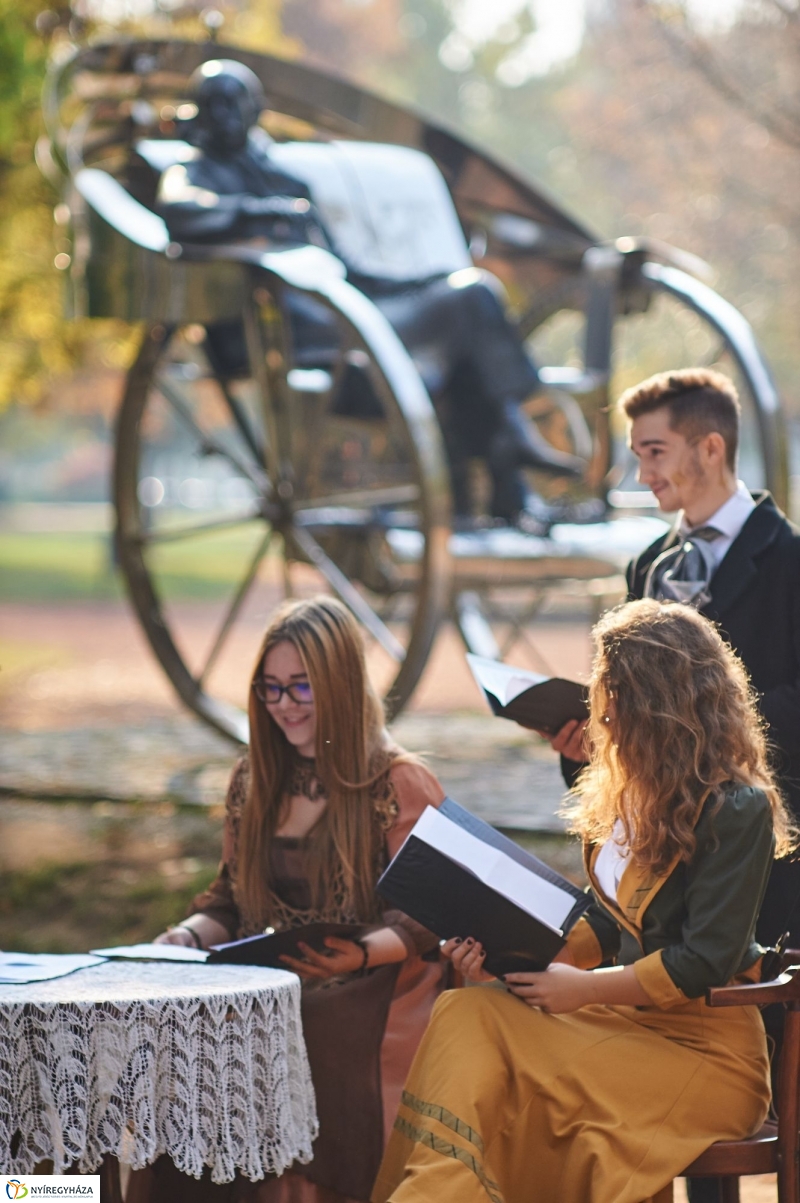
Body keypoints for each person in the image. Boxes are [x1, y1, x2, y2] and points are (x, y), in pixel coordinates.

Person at [372, 598, 795, 1203]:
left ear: (658, 704)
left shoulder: (737, 808)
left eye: (612, 693)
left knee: (501, 1053)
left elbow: (708, 957)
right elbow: (604, 923)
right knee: (467, 1010)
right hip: (619, 1025)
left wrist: (585, 989)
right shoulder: (624, 795)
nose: (601, 713)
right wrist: (497, 949)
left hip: (705, 1055)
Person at [153, 58, 585, 527]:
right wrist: (259, 213)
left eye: (234, 105)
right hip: (313, 341)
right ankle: (508, 452)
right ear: (198, 113)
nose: (225, 117)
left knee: (470, 295)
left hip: (352, 317)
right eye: (213, 106)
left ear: (254, 111)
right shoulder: (194, 174)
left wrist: (424, 285)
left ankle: (505, 476)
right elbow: (184, 212)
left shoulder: (285, 182)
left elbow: (348, 273)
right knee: (472, 302)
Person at [152, 595, 448, 1203]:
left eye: (301, 688)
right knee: (188, 1038)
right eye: (271, 689)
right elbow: (228, 902)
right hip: (267, 981)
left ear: (339, 684)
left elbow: (430, 914)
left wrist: (356, 956)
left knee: (309, 1027)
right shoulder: (253, 777)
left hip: (373, 984)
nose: (284, 706)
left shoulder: (397, 782)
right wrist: (186, 935)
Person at [552, 368, 800, 948]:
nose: (644, 473)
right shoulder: (648, 565)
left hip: (768, 838)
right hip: (662, 841)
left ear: (711, 448)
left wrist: (703, 725)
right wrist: (589, 737)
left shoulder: (791, 561)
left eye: (656, 452)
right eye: (638, 454)